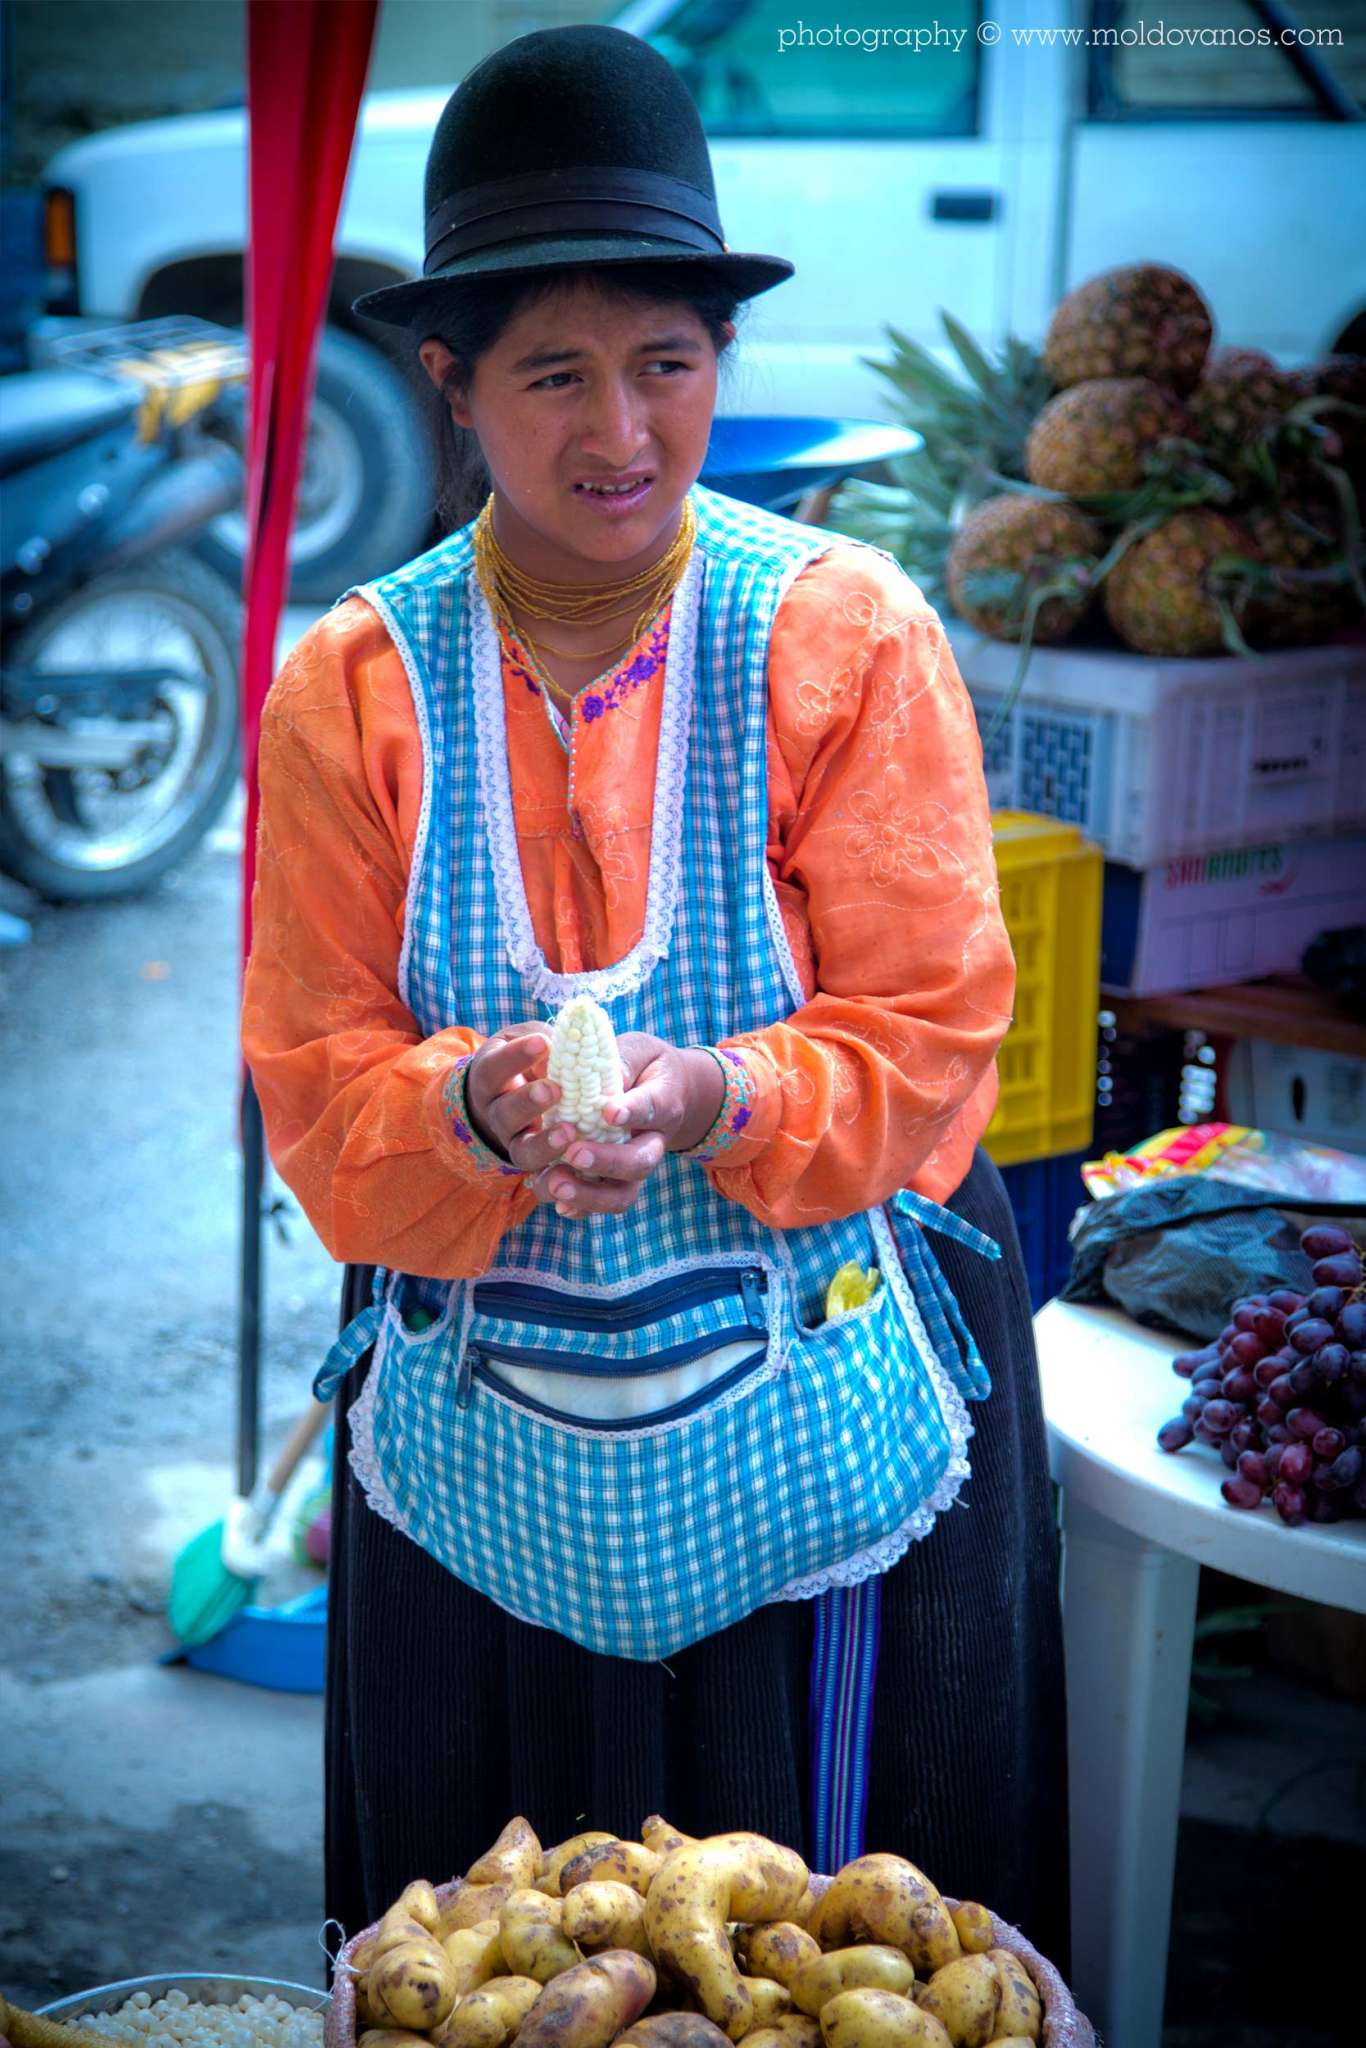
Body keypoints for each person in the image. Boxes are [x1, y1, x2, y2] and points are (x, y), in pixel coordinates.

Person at [242, 23, 1069, 1962]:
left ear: (721, 359)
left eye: (667, 363)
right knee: (501, 1956)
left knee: (827, 1959)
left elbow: (931, 1035)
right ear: (449, 384)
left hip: (820, 1431)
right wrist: (472, 1107)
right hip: (479, 1461)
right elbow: (319, 1082)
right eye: (553, 373)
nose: (619, 430)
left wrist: (717, 1097)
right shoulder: (351, 688)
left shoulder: (839, 638)